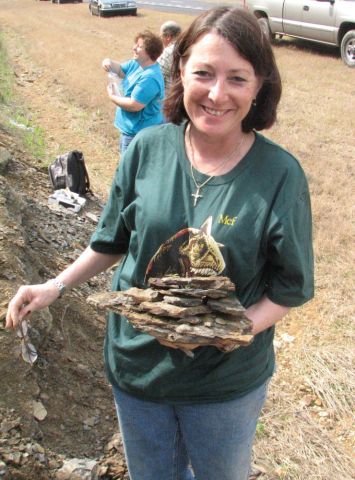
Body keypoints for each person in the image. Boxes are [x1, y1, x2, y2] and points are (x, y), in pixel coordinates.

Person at [6, 7, 314, 480]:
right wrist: (55, 286)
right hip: (138, 369)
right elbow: (112, 241)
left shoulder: (279, 176)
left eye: (237, 78)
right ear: (180, 70)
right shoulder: (148, 148)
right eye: (204, 73)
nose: (216, 94)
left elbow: (290, 286)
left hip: (223, 385)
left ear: (259, 87)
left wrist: (226, 332)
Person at [102, 30, 164, 155]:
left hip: (139, 134)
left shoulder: (150, 77)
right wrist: (108, 62)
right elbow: (120, 70)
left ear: (150, 53)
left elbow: (134, 105)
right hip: (130, 131)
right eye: (135, 44)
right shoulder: (136, 64)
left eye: (139, 46)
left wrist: (112, 97)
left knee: (131, 171)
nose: (134, 48)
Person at [157, 20, 182, 93]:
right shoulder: (188, 46)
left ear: (168, 37)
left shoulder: (168, 52)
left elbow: (157, 74)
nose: (160, 39)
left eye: (161, 36)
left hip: (170, 96)